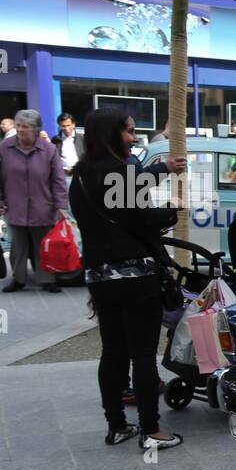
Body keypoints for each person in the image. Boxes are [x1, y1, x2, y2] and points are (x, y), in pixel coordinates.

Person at [69, 107, 186, 451]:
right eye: (129, 131)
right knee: (143, 355)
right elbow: (143, 219)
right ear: (110, 134)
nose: (134, 138)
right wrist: (172, 208)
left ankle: (117, 426)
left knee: (113, 352)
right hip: (136, 276)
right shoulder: (120, 173)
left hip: (98, 277)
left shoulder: (79, 176)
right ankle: (151, 430)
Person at [0, 110, 68, 293]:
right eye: (18, 125)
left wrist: (60, 205)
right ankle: (18, 279)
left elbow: (58, 180)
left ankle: (47, 280)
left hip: (43, 207)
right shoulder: (4, 147)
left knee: (44, 246)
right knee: (17, 247)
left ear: (35, 129)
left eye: (25, 126)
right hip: (14, 206)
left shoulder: (49, 150)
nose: (20, 130)